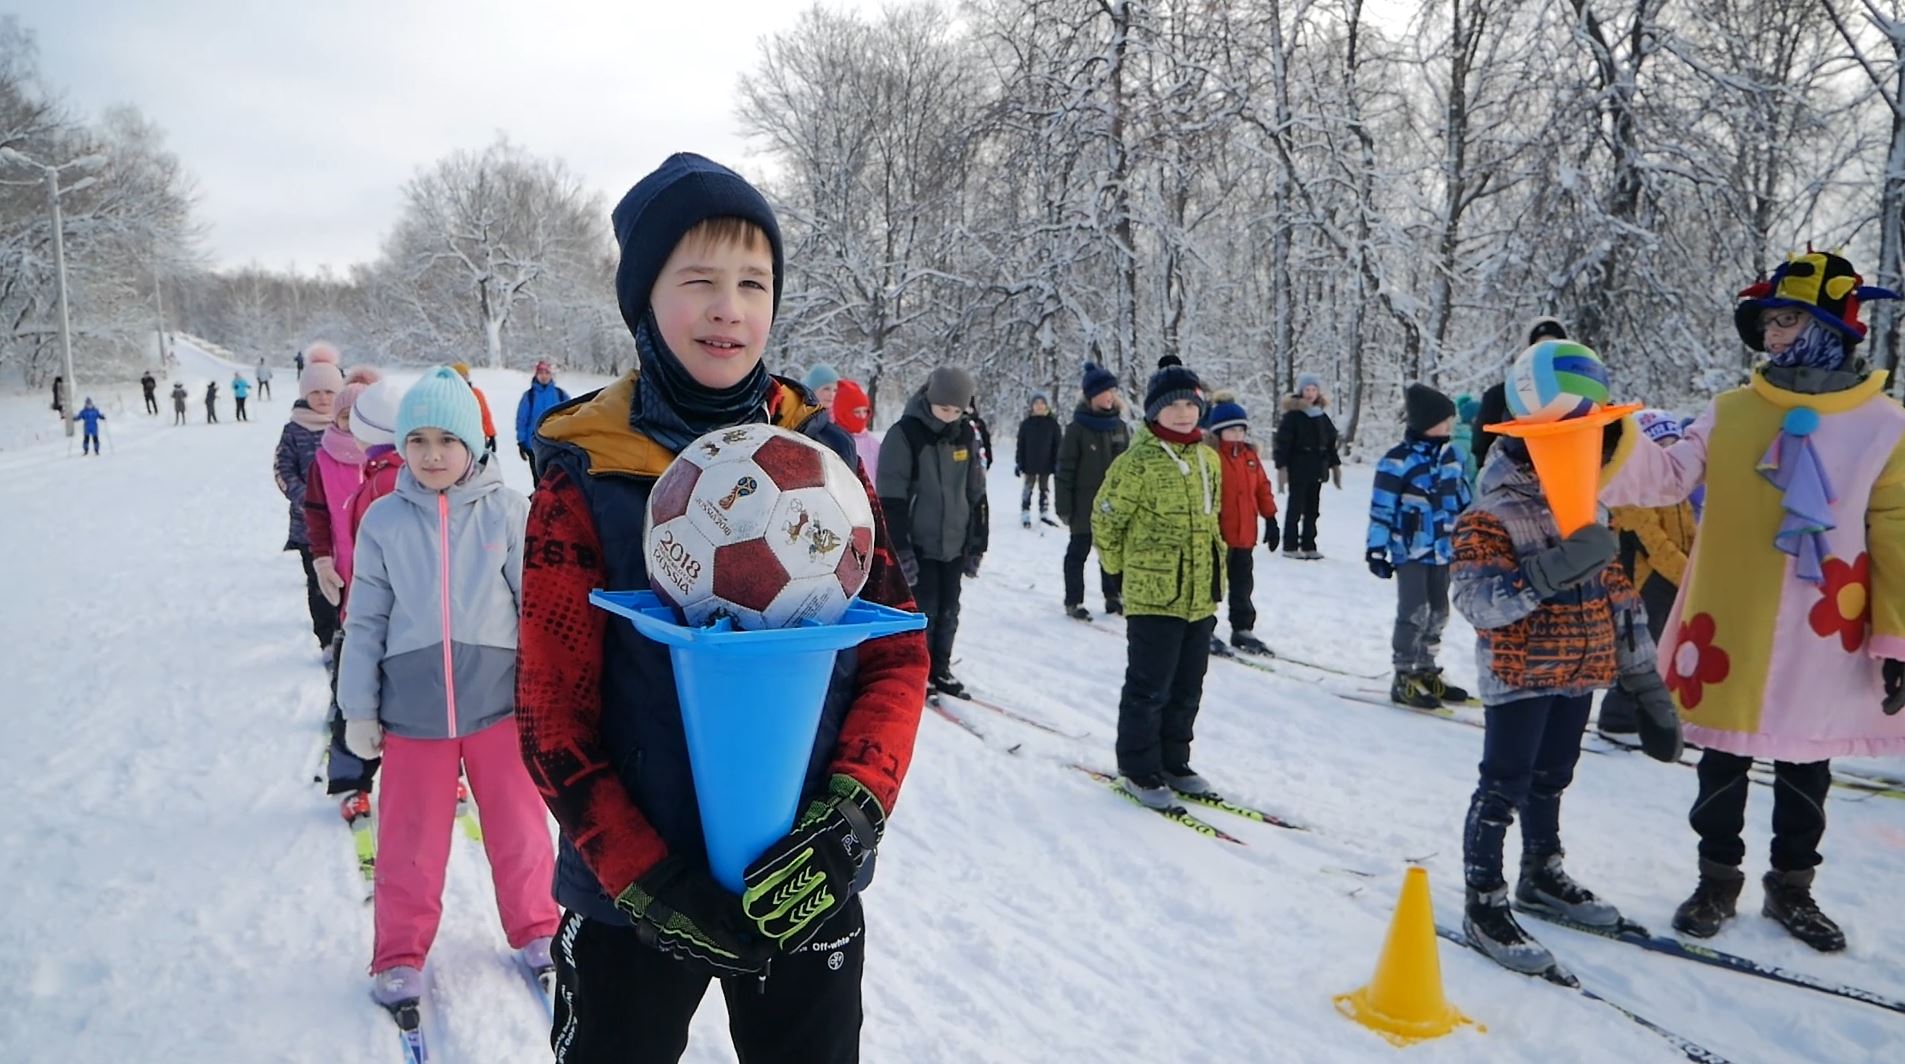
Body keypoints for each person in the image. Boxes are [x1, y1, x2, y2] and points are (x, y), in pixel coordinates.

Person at [517, 153, 928, 1063]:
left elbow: (895, 652)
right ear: (644, 303)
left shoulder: (821, 462)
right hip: (631, 896)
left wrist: (852, 813)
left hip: (802, 878)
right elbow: (550, 719)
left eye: (753, 281)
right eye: (695, 280)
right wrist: (642, 879)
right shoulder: (583, 473)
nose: (727, 308)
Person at [1601, 250, 1905, 952]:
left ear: (1830, 325)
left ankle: (1790, 887)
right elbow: (1668, 475)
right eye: (1768, 322)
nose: (1772, 336)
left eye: (1787, 319)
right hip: (1727, 621)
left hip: (1827, 628)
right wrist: (1609, 437)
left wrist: (1895, 641)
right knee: (1720, 757)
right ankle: (1716, 880)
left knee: (1806, 763)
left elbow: (1895, 531)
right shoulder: (1732, 411)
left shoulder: (1884, 426)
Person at [337, 367, 559, 1011]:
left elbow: (536, 613)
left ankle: (538, 926)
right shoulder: (383, 521)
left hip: (497, 707)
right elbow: (365, 619)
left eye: (447, 440)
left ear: (475, 443)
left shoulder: (509, 510)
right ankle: (400, 951)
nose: (432, 454)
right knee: (410, 839)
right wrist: (359, 709)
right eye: (419, 440)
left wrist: (545, 695)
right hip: (412, 714)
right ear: (401, 445)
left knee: (519, 829)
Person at [1451, 400, 1681, 976]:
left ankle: (1541, 873)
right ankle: (1484, 901)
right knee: (1505, 784)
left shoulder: (1589, 509)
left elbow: (1622, 602)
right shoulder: (1492, 514)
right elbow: (1476, 601)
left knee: (1553, 778)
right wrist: (1552, 567)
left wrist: (1645, 682)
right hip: (1521, 676)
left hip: (1581, 672)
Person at [1095, 356, 1226, 809]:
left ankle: (1174, 761)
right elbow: (1106, 521)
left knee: (1188, 686)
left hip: (1198, 597)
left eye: (1191, 404)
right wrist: (1122, 571)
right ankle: (1138, 767)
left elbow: (1213, 523)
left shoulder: (1208, 459)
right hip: (1154, 595)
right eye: (1173, 406)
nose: (1184, 413)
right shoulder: (1138, 463)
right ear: (1154, 412)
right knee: (1149, 688)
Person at [878, 366, 986, 694]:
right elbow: (891, 496)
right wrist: (901, 548)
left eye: (957, 410)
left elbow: (977, 493)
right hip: (918, 544)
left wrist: (977, 542)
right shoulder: (905, 434)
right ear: (929, 399)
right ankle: (917, 672)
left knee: (950, 609)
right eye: (944, 409)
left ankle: (941, 668)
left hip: (954, 543)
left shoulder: (966, 435)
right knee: (923, 611)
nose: (950, 416)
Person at [325, 375, 404, 818]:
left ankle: (354, 778)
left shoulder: (384, 484)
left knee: (355, 692)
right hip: (388, 612)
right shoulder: (391, 477)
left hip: (372, 612)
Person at [1367, 384, 1473, 709]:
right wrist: (1376, 549)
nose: (1450, 427)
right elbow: (1382, 508)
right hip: (1410, 549)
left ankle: (1426, 669)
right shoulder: (1397, 461)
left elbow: (1464, 499)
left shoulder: (1452, 456)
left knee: (1439, 611)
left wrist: (1471, 533)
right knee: (1414, 611)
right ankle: (1403, 675)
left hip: (1445, 549)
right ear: (1428, 422)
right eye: (1445, 421)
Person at [1598, 410, 1697, 738]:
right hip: (1646, 582)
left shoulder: (1675, 488)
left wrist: (1697, 563)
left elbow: (1688, 529)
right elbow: (1652, 542)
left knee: (1664, 650)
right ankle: (1617, 717)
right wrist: (1687, 574)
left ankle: (1654, 715)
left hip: (1674, 580)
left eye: (1674, 442)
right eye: (1662, 444)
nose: (1669, 450)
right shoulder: (1631, 489)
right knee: (1641, 650)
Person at [275, 344, 345, 658]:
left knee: (345, 576)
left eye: (329, 392)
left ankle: (346, 631)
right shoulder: (294, 429)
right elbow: (282, 469)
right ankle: (326, 637)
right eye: (315, 392)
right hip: (308, 524)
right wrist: (305, 496)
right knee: (318, 582)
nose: (322, 398)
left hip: (344, 521)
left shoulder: (345, 425)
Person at [1206, 392, 1277, 656]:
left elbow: (1262, 488)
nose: (1237, 435)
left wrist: (1270, 518)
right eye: (1231, 430)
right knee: (1212, 584)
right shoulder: (1211, 457)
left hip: (1245, 533)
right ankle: (1205, 627)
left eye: (1241, 430)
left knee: (1242, 584)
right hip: (1218, 534)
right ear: (1218, 432)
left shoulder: (1250, 458)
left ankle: (1242, 628)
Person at [1056, 363, 1129, 619]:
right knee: (1078, 552)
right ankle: (1073, 600)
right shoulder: (1077, 429)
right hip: (1083, 505)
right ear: (1090, 396)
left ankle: (1114, 595)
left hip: (1114, 506)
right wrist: (1063, 506)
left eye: (1112, 392)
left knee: (1112, 553)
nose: (1108, 397)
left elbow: (1129, 468)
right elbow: (1065, 469)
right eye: (1103, 392)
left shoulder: (1119, 427)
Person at [1273, 372, 1341, 559]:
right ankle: (1290, 544)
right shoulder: (1293, 416)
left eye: (1313, 389)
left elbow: (1330, 443)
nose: (1310, 393)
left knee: (1313, 508)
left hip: (1317, 468)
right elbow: (1283, 442)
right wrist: (1282, 467)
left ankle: (1309, 544)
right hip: (1298, 466)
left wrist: (1335, 466)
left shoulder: (1322, 417)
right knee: (1295, 507)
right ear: (1301, 392)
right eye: (1307, 389)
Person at [514, 359, 570, 472]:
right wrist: (521, 441)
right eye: (541, 373)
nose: (544, 376)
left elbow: (571, 416)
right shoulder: (529, 396)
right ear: (536, 375)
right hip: (534, 446)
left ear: (551, 375)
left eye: (547, 373)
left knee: (556, 481)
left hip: (556, 445)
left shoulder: (560, 394)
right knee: (538, 481)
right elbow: (522, 420)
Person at [1015, 394, 1062, 528]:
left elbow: (1058, 444)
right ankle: (1025, 513)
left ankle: (1044, 513)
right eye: (1036, 403)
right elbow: (1020, 445)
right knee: (1028, 488)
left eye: (1042, 403)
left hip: (1046, 463)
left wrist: (1057, 462)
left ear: (1046, 406)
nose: (1039, 406)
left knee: (1044, 489)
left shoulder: (1052, 424)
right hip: (1029, 463)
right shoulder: (1026, 424)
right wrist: (1018, 462)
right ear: (1032, 407)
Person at [831, 378, 880, 480]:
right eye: (857, 412)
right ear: (842, 413)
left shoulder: (874, 444)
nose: (862, 417)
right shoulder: (832, 441)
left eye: (865, 411)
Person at [451, 362, 499, 453]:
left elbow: (485, 416)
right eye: (459, 375)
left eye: (465, 375)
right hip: (456, 440)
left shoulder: (476, 393)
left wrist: (491, 435)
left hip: (478, 438)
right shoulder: (447, 394)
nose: (463, 378)